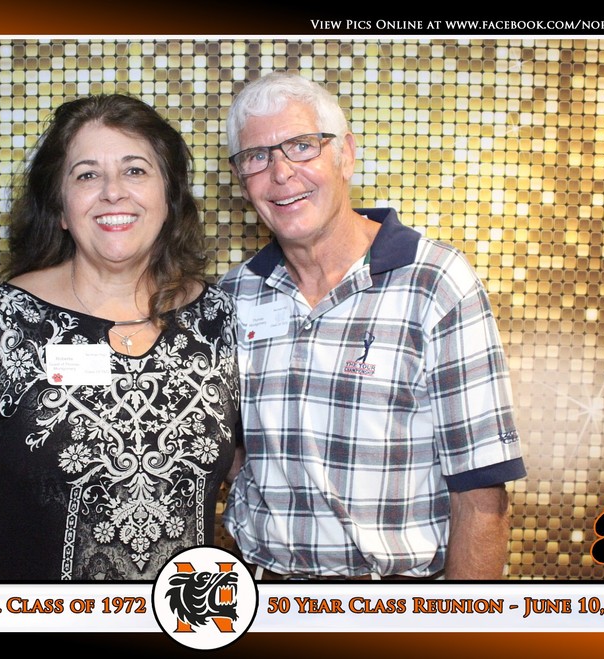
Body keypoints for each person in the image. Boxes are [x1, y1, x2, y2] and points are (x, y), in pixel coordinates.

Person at [0, 94, 239, 581]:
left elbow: (258, 471)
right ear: (60, 208)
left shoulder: (218, 320)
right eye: (86, 175)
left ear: (170, 198)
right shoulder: (1, 324)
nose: (113, 192)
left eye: (135, 170)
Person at [221, 72, 526, 580]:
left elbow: (481, 495)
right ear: (240, 179)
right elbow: (227, 451)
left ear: (345, 154)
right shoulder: (234, 296)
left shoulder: (435, 282)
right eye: (256, 156)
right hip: (261, 589)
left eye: (302, 146)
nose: (281, 173)